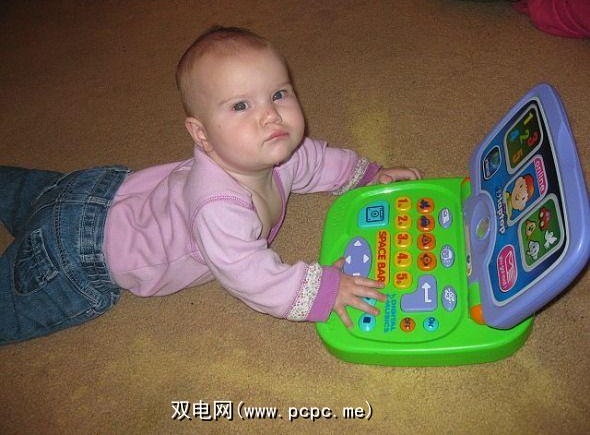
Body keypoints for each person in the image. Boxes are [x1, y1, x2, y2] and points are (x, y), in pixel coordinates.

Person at [0, 26, 420, 344]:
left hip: (96, 192)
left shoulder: (275, 150)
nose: (271, 116)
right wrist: (325, 290)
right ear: (201, 135)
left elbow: (315, 159)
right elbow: (249, 275)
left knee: (20, 192)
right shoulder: (218, 207)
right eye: (241, 105)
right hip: (75, 255)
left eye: (278, 94)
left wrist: (366, 176)